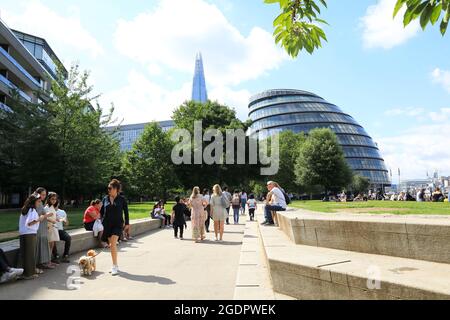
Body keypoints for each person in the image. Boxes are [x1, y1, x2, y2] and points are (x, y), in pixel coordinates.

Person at [100, 179, 130, 276]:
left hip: (118, 225)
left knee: (113, 243)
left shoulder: (122, 199)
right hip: (107, 225)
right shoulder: (105, 199)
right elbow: (101, 212)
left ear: (116, 189)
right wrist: (101, 221)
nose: (108, 190)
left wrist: (127, 223)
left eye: (110, 188)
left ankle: (114, 265)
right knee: (112, 246)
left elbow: (126, 212)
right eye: (108, 188)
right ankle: (115, 265)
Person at [19, 193, 50, 280]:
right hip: (30, 233)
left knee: (25, 253)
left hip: (23, 233)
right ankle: (29, 274)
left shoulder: (25, 209)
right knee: (30, 254)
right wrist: (39, 219)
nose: (39, 203)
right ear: (34, 202)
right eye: (38, 201)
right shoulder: (32, 210)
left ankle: (26, 273)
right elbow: (29, 223)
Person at [34, 187, 55, 271]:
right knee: (40, 245)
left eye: (45, 195)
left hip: (42, 226)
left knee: (43, 244)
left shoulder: (40, 202)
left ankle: (45, 262)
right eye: (43, 194)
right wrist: (48, 216)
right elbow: (38, 215)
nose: (44, 196)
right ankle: (42, 263)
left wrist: (51, 219)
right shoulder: (36, 202)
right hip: (38, 227)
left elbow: (43, 214)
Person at [44, 192, 61, 265]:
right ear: (49, 199)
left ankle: (49, 261)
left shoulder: (52, 207)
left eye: (55, 199)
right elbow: (46, 217)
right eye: (52, 199)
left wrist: (58, 219)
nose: (54, 201)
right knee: (49, 245)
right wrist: (53, 220)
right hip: (49, 228)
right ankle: (47, 261)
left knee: (52, 244)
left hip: (53, 227)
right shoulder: (46, 208)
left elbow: (54, 217)